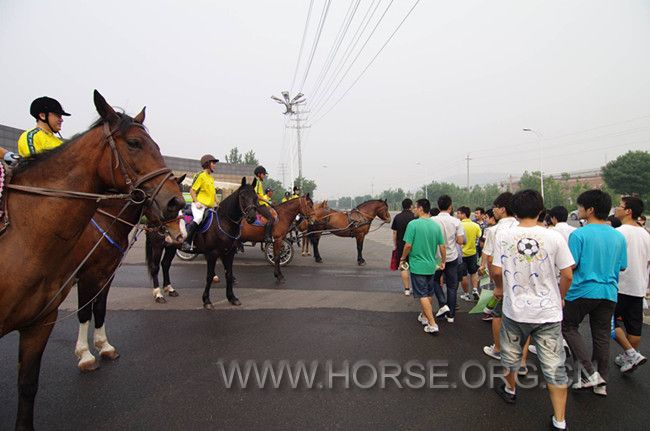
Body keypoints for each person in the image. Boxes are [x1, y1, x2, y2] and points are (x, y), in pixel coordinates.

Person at [492, 189, 574, 431]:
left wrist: (499, 289)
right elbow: (567, 273)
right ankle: (560, 420)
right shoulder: (554, 237)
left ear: (514, 211)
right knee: (554, 366)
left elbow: (496, 271)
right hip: (548, 313)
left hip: (515, 310)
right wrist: (559, 296)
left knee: (511, 355)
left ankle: (510, 389)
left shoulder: (503, 236)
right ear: (541, 211)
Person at [562, 189, 627, 397]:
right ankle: (601, 382)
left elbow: (571, 266)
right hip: (609, 292)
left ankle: (588, 373)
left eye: (581, 207)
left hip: (582, 290)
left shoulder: (579, 234)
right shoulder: (618, 236)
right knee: (601, 336)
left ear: (590, 210)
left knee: (569, 327)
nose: (578, 210)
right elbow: (622, 266)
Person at [613, 196, 650, 373]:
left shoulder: (619, 233)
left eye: (620, 206)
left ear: (628, 211)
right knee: (634, 326)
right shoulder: (645, 233)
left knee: (606, 322)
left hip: (620, 286)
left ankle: (631, 354)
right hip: (638, 287)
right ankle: (630, 356)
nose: (616, 209)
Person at [481, 192, 518, 361]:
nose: (493, 210)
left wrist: (495, 283)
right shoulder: (521, 227)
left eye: (495, 207)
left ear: (502, 209)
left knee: (498, 315)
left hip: (502, 278)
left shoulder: (494, 230)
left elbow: (489, 258)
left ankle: (498, 348)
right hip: (520, 280)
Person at [401, 199, 446, 334]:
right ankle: (424, 316)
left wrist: (403, 258)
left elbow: (408, 245)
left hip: (418, 265)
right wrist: (443, 261)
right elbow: (442, 246)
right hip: (431, 265)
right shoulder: (436, 225)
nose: (414, 209)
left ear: (420, 208)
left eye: (416, 207)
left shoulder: (413, 224)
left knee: (422, 294)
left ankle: (432, 323)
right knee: (428, 293)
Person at [432, 195, 465, 322]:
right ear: (450, 207)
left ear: (438, 206)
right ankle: (451, 315)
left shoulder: (433, 221)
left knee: (435, 281)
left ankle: (442, 303)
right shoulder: (456, 221)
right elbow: (461, 241)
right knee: (452, 286)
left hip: (436, 257)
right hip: (452, 257)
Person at [181, 155, 219, 251]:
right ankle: (187, 242)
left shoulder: (211, 178)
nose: (215, 165)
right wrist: (196, 202)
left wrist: (217, 202)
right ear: (207, 164)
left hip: (209, 207)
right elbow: (192, 191)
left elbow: (213, 193)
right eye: (213, 163)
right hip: (199, 206)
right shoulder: (201, 176)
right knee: (198, 218)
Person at [391, 199, 416, 295]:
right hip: (414, 245)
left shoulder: (397, 217)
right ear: (411, 206)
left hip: (401, 246)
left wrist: (395, 245)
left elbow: (394, 233)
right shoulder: (414, 217)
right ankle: (415, 288)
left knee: (404, 267)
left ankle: (406, 289)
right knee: (414, 268)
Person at [458, 206, 482, 301]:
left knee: (463, 275)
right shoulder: (475, 225)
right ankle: (475, 290)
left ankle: (466, 294)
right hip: (472, 252)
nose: (458, 215)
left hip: (461, 254)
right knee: (473, 272)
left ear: (464, 214)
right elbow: (479, 236)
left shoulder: (458, 225)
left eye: (459, 213)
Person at [254, 166, 277, 242]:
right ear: (259, 174)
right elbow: (256, 195)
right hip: (259, 205)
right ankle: (267, 236)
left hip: (261, 204)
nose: (264, 176)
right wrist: (266, 201)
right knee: (271, 218)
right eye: (263, 174)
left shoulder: (259, 182)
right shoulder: (257, 182)